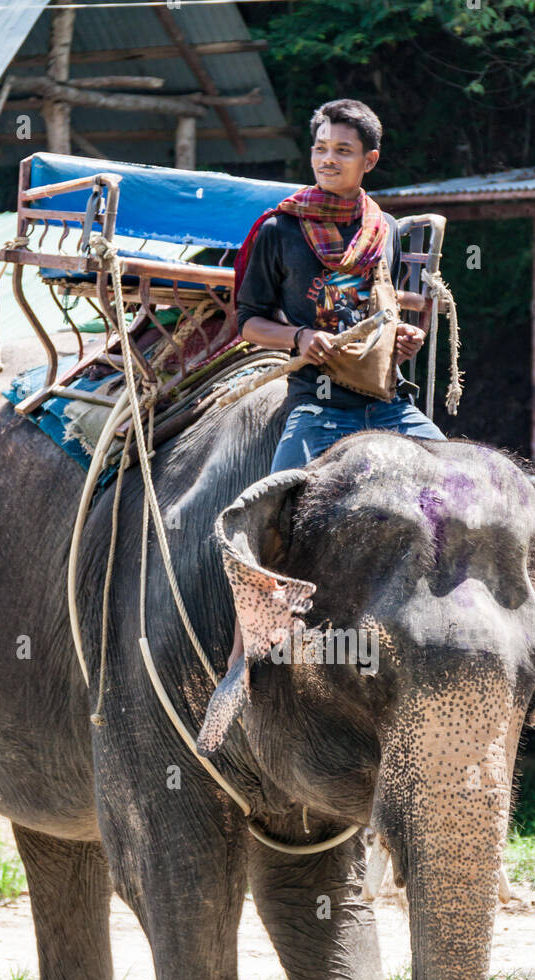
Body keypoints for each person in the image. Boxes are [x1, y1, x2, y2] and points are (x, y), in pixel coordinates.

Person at [224, 97, 446, 671]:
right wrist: (298, 338)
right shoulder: (280, 229)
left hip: (388, 403)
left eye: (342, 151)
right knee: (275, 510)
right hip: (317, 408)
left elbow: (386, 313)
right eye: (321, 148)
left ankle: (442, 621)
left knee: (456, 485)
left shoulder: (386, 230)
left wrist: (402, 341)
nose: (328, 159)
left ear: (369, 160)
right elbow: (247, 319)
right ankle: (248, 646)